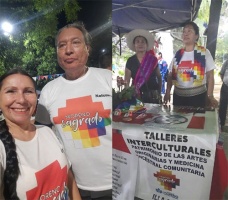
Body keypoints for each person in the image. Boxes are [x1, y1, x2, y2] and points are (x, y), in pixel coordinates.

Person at [35, 22, 112, 200]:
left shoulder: (108, 79)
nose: (68, 50)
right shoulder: (48, 91)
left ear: (88, 49)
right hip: (75, 188)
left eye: (75, 43)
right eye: (62, 45)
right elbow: (41, 137)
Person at [0, 68, 81, 200]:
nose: (21, 99)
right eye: (11, 91)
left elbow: (69, 179)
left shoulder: (47, 131)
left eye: (28, 91)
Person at [164, 21, 218, 108]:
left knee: (197, 120)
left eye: (189, 31)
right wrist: (167, 91)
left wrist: (210, 96)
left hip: (198, 97)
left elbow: (210, 76)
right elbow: (170, 75)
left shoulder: (204, 53)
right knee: (179, 120)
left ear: (196, 36)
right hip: (178, 98)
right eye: (184, 31)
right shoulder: (177, 55)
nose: (186, 34)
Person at [124, 29, 162, 104]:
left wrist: (159, 92)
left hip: (153, 97)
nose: (140, 44)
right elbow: (127, 81)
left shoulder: (153, 59)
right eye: (137, 41)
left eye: (143, 41)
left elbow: (159, 77)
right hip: (137, 97)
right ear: (134, 45)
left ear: (146, 45)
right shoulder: (130, 61)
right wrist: (127, 96)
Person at [219, 57, 228, 132]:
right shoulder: (226, 62)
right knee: (223, 106)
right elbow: (221, 74)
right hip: (226, 87)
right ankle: (221, 125)